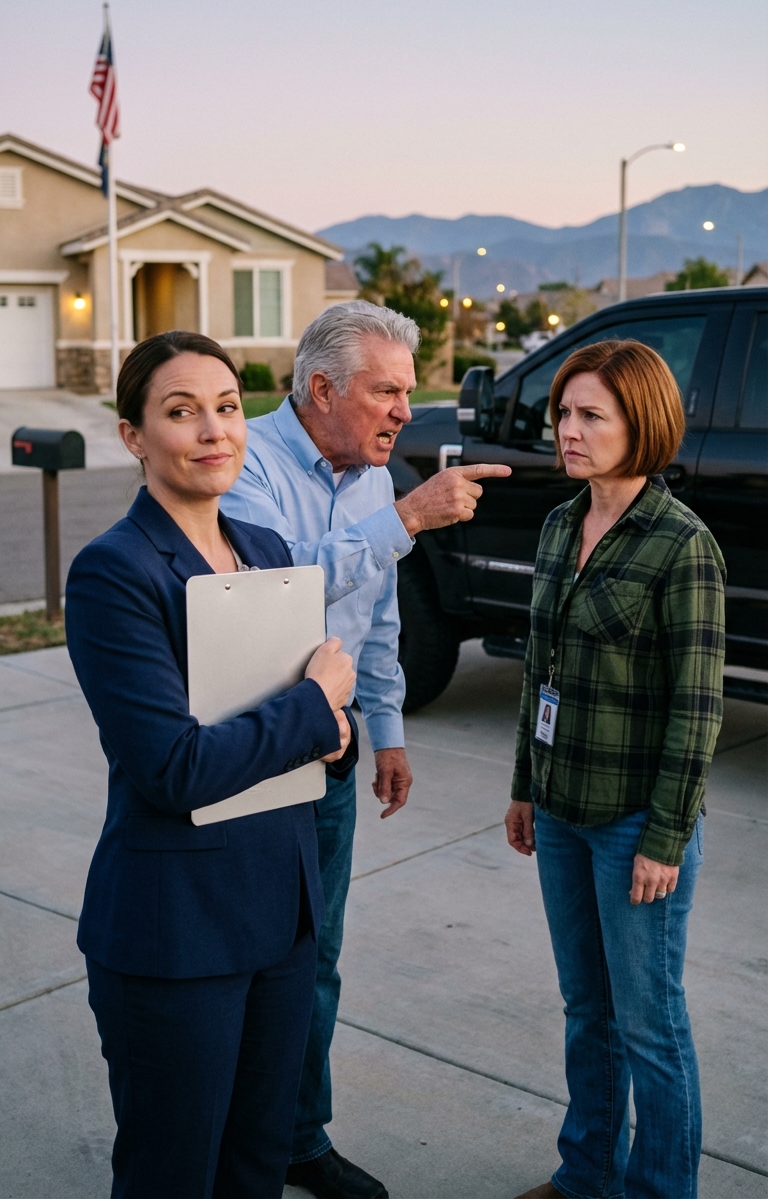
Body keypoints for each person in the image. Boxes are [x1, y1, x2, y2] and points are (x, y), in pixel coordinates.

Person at [221, 299, 510, 1199]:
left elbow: (375, 616)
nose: (402, 411)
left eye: (407, 392)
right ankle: (229, 1142)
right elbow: (278, 588)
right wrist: (411, 519)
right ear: (319, 388)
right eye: (386, 392)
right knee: (240, 960)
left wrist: (387, 730)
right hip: (248, 757)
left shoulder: (376, 477)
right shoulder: (247, 463)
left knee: (317, 960)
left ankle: (301, 1139)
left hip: (335, 759)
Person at [65, 330, 359, 1199]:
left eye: (227, 408)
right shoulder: (114, 574)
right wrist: (315, 706)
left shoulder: (267, 553)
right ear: (134, 437)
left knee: (255, 1167)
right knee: (173, 1175)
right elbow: (174, 767)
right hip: (176, 933)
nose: (213, 431)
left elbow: (306, 740)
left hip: (280, 916)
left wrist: (333, 735)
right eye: (181, 411)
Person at [505, 339, 725, 1199]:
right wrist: (526, 786)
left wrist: (664, 841)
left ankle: (660, 1190)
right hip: (562, 813)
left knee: (649, 1025)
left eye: (591, 414)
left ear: (644, 424)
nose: (569, 429)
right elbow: (540, 670)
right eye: (564, 412)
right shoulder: (562, 523)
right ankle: (586, 1174)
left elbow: (697, 710)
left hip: (638, 825)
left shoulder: (683, 547)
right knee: (586, 1012)